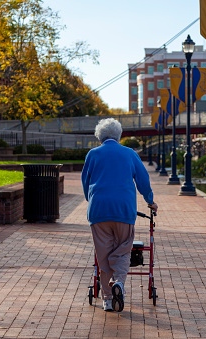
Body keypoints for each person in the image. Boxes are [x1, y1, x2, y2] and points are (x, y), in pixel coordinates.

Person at [81, 118, 158, 312]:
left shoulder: (93, 154)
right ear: (119, 135)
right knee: (124, 249)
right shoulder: (129, 154)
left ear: (100, 137)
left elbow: (85, 182)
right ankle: (119, 283)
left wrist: (92, 201)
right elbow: (143, 180)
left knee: (103, 255)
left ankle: (107, 300)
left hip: (99, 210)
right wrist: (150, 200)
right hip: (124, 209)